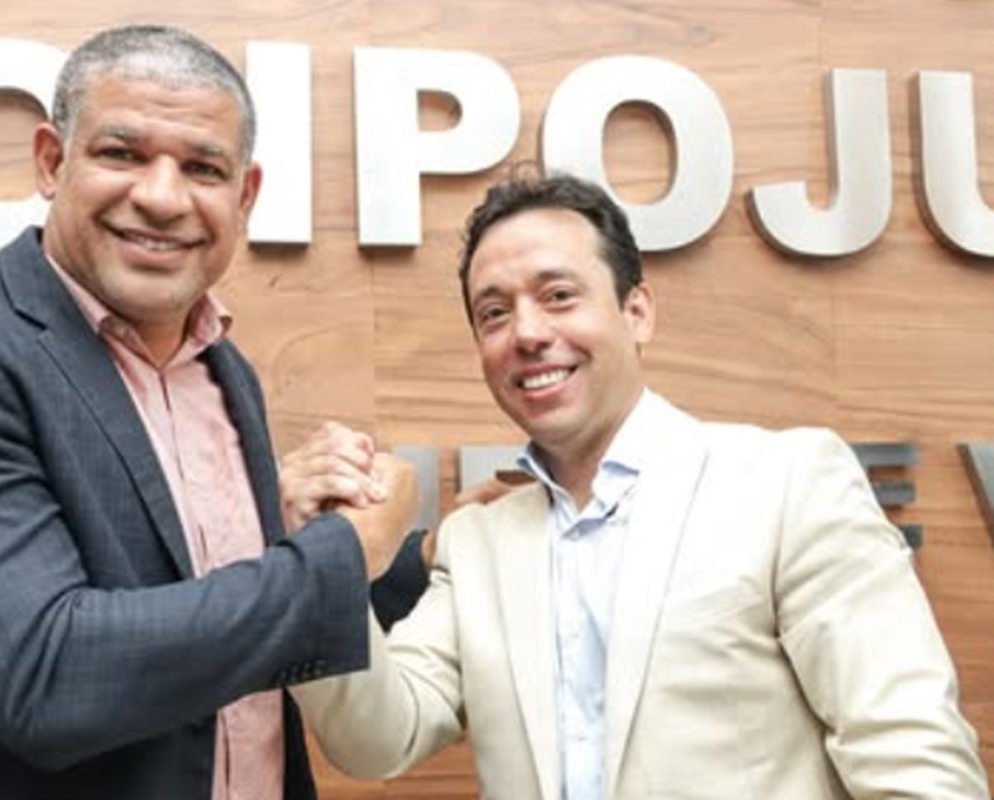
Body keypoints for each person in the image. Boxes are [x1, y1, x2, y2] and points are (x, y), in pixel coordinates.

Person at [0, 24, 426, 800]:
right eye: (122, 154)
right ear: (52, 161)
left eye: (203, 168)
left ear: (244, 196)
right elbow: (45, 677)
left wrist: (418, 553)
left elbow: (207, 609)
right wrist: (345, 552)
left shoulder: (221, 366)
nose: (162, 197)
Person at [294, 169, 990, 799]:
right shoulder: (476, 541)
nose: (527, 333)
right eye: (494, 313)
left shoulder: (787, 483)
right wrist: (327, 552)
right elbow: (377, 740)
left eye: (558, 296)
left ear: (637, 312)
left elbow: (913, 761)